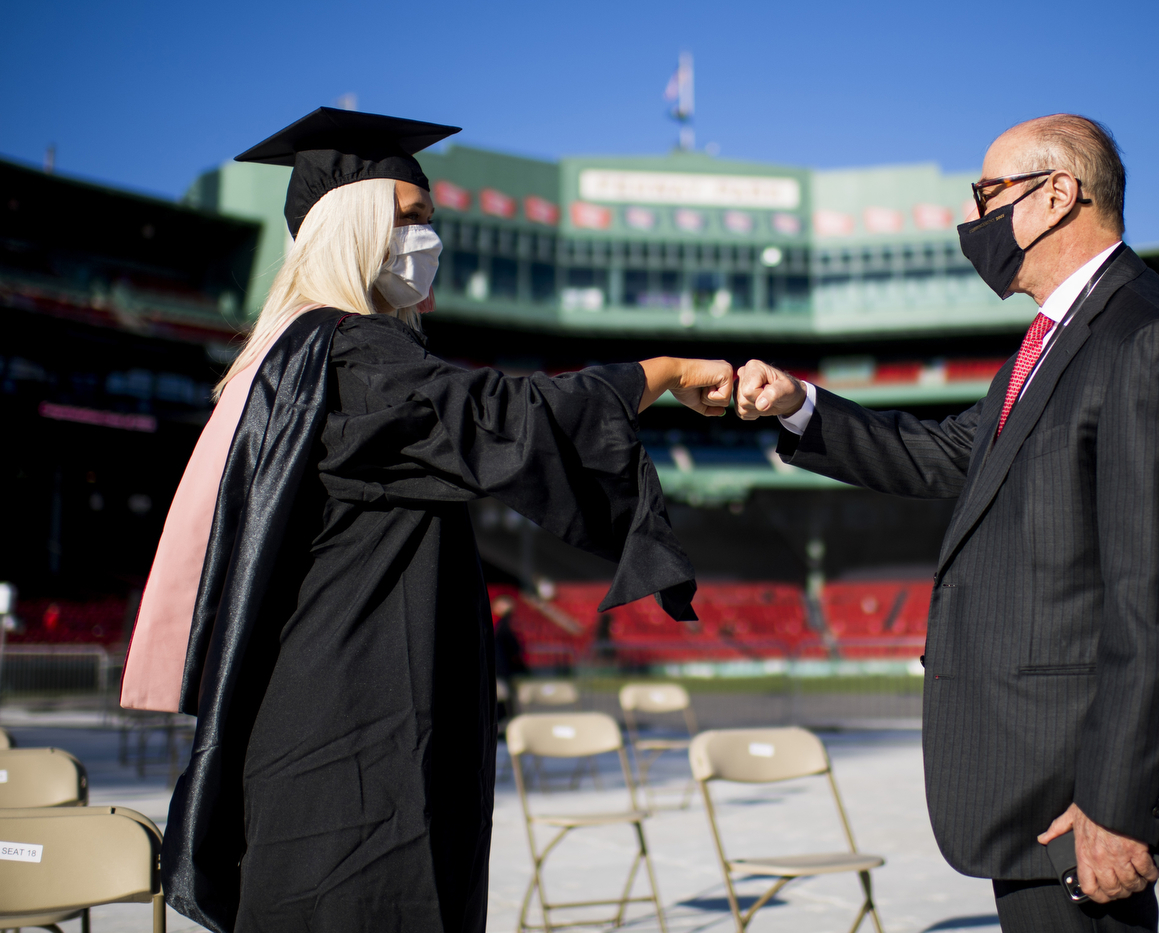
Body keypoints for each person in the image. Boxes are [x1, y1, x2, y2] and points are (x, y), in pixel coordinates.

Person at [118, 107, 733, 933]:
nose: (426, 238)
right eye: (408, 217)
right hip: (355, 749)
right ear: (350, 227)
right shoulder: (348, 355)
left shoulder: (298, 356)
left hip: (342, 731)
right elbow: (498, 416)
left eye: (430, 220)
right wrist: (661, 371)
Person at [735, 114, 1159, 933]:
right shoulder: (1056, 339)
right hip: (1032, 779)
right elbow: (943, 453)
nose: (973, 220)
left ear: (1058, 195)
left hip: (1077, 796)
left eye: (987, 194)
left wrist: (1115, 802)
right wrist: (800, 405)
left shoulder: (1142, 339)